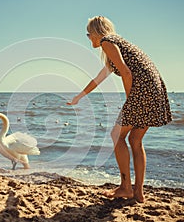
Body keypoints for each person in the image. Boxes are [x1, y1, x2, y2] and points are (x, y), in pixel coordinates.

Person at [68, 16, 172, 203]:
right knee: (135, 140)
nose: (89, 38)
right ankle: (138, 193)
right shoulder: (118, 45)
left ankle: (125, 188)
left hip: (141, 91)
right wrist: (80, 96)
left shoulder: (108, 42)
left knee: (117, 136)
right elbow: (99, 78)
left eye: (88, 34)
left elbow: (126, 72)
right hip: (154, 91)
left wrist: (129, 100)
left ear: (95, 32)